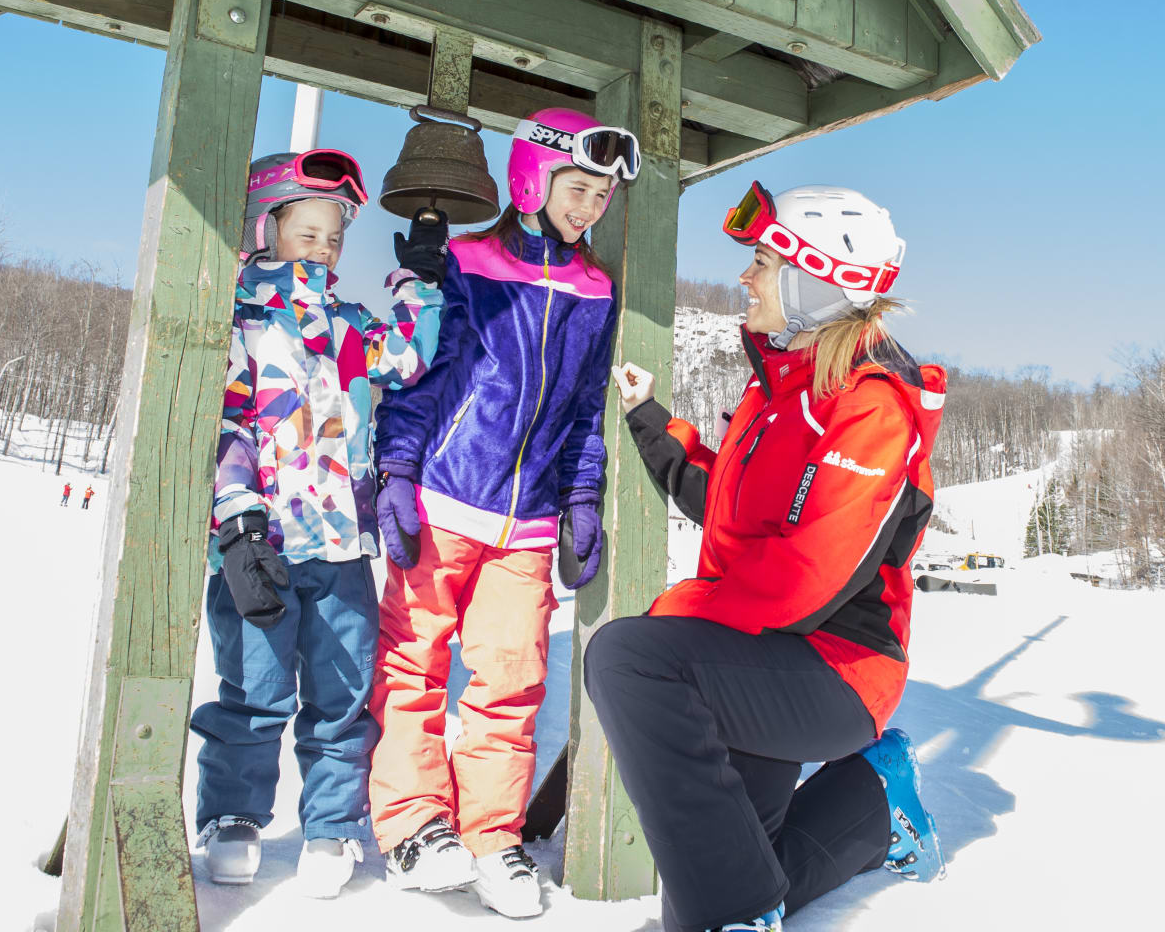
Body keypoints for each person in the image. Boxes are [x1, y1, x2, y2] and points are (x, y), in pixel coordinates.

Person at [589, 182, 948, 932]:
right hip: (761, 657)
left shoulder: (873, 408)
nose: (745, 279)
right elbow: (730, 504)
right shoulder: (784, 392)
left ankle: (739, 919)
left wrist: (681, 613)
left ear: (815, 282)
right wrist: (654, 424)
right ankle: (875, 802)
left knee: (628, 657)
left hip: (834, 669)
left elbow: (805, 579)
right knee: (734, 871)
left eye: (761, 261)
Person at [368, 109, 641, 919]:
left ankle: (490, 833)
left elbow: (587, 408)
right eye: (578, 187)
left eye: (602, 196)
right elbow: (419, 379)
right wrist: (396, 470)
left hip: (526, 522)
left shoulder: (596, 289)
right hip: (446, 501)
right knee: (413, 662)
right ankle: (414, 822)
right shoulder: (470, 265)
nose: (591, 207)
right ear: (531, 177)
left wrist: (582, 497)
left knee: (513, 680)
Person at [189, 148, 448, 899]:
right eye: (308, 233)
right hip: (260, 549)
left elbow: (408, 356)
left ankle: (332, 824)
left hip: (340, 549)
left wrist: (422, 280)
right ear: (265, 230)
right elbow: (222, 427)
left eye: (334, 237)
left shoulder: (348, 325)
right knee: (253, 691)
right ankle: (233, 815)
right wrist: (237, 520)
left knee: (340, 696)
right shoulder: (235, 323)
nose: (324, 249)